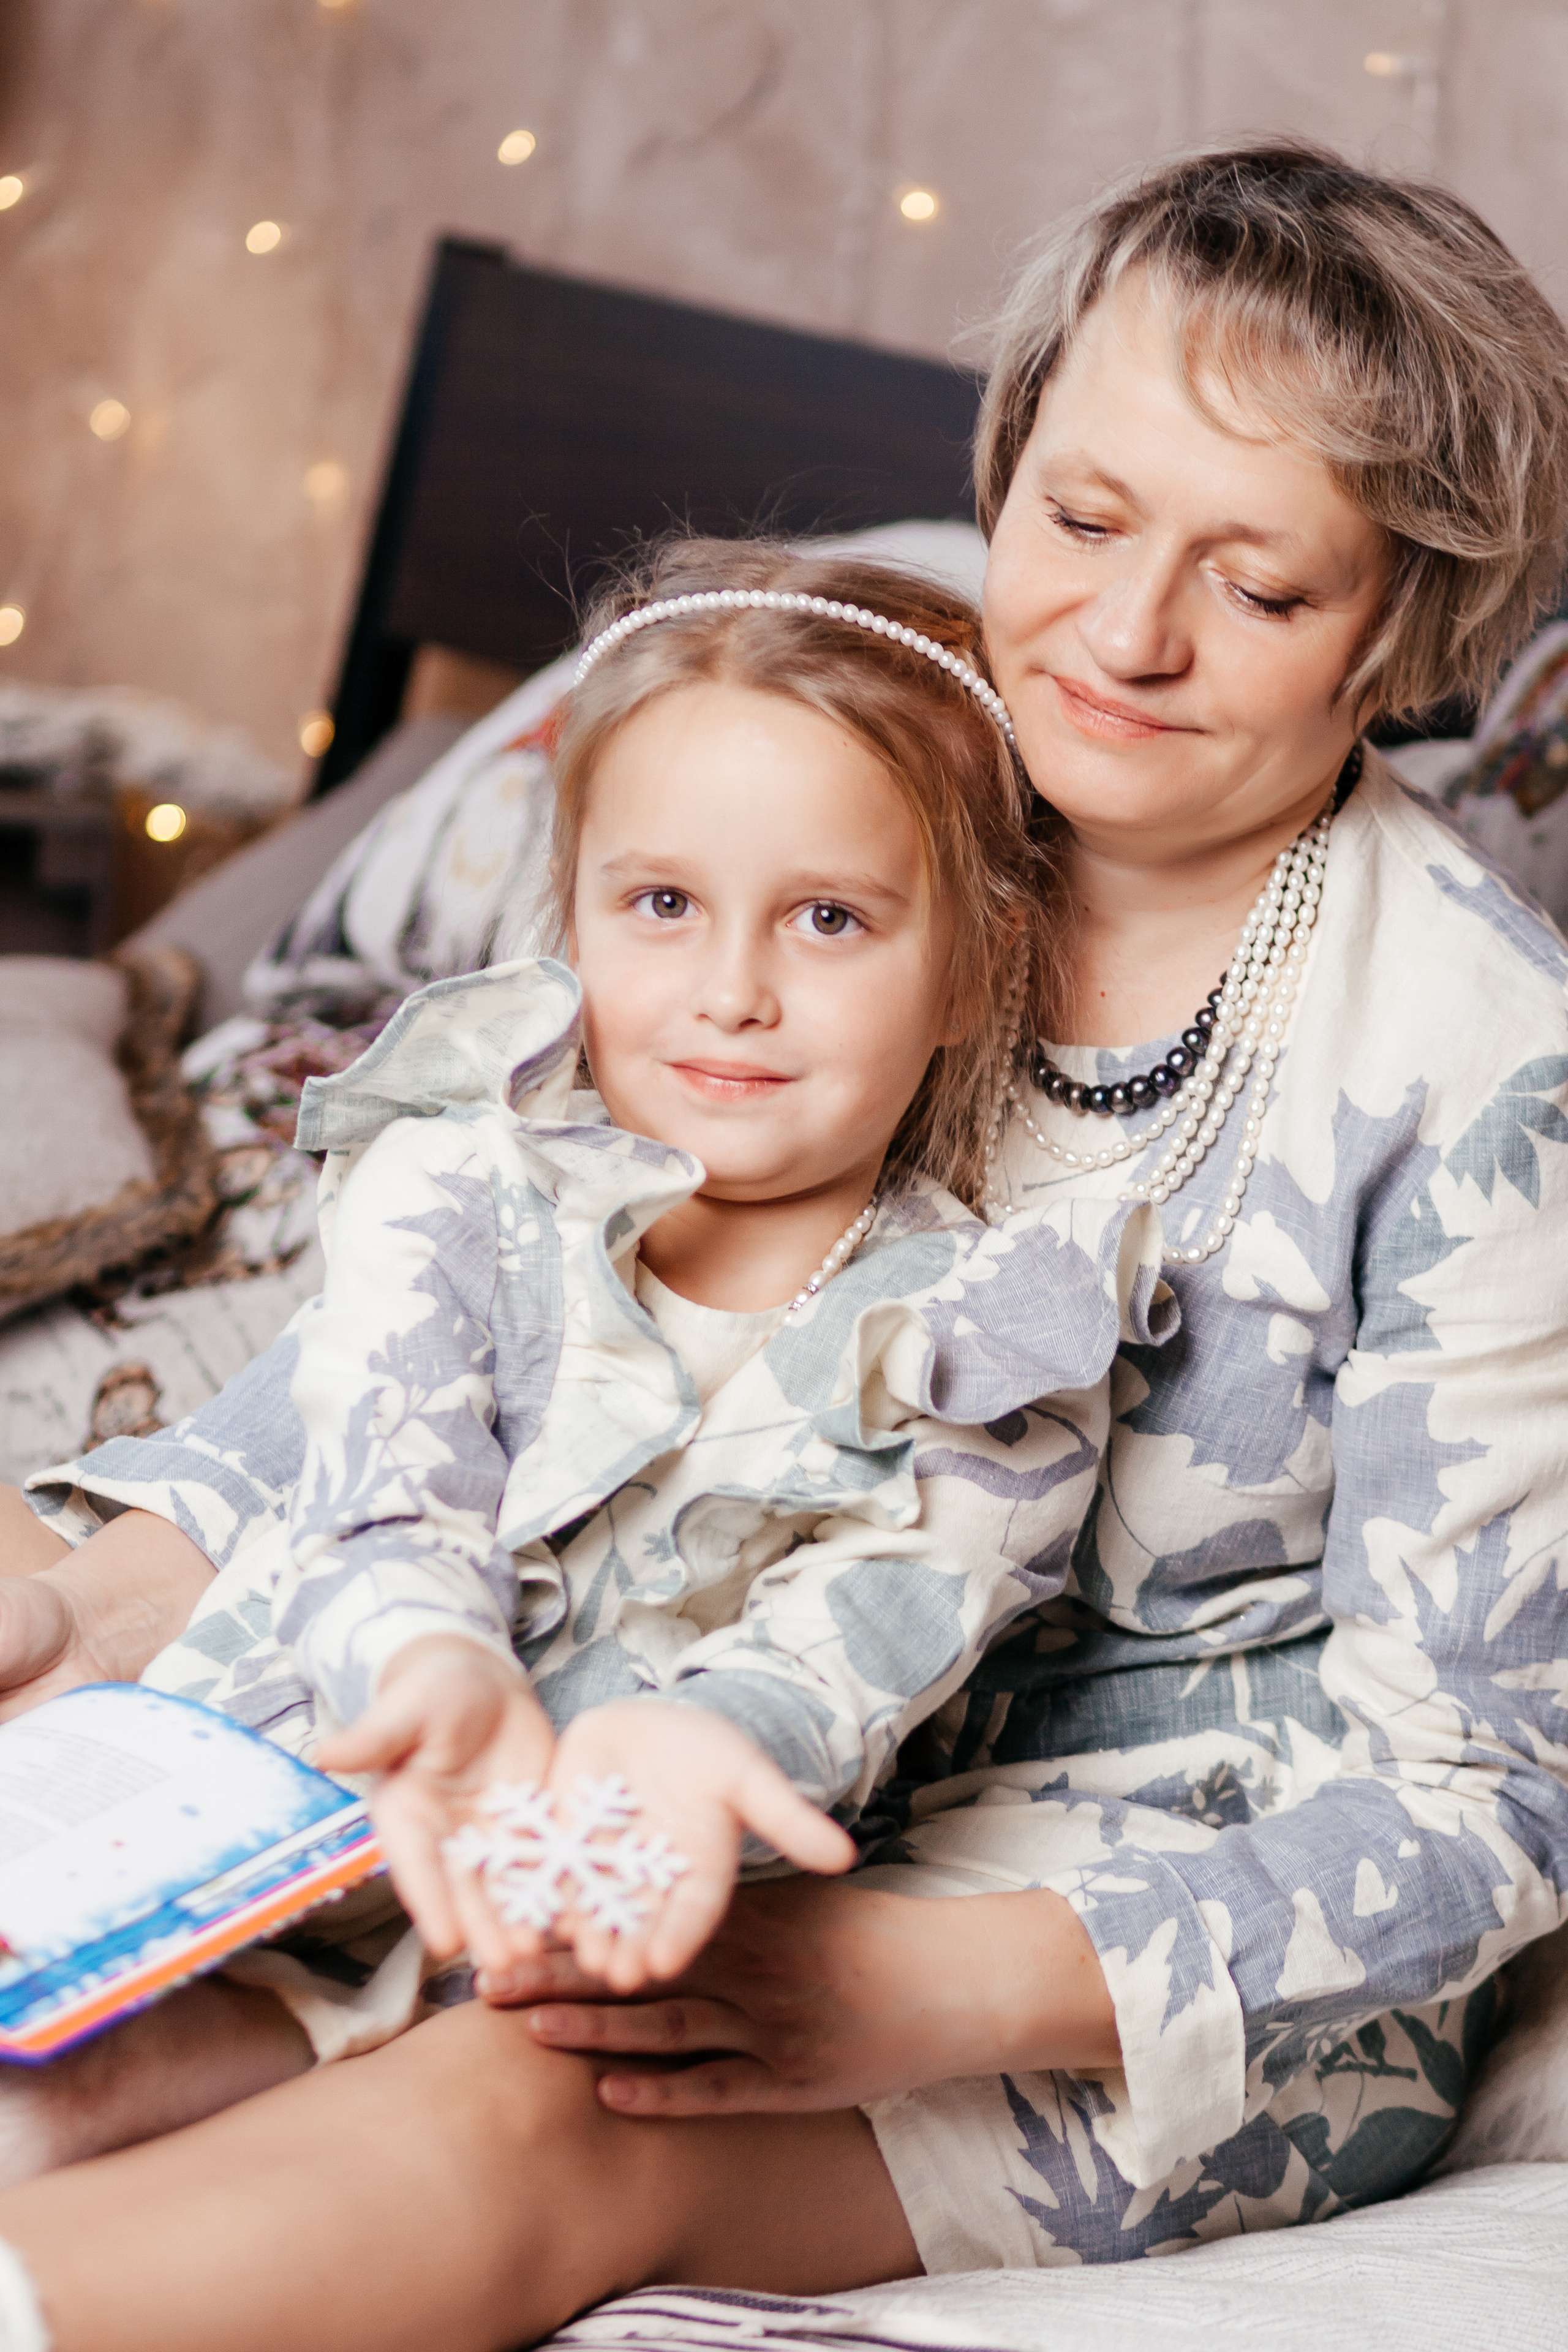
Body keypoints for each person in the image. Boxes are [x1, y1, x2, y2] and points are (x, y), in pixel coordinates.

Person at [0, 136, 1564, 2352]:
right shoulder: (854, 780)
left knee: (547, 2098)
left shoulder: (1484, 1066)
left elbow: (1486, 1797)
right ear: (1005, 473)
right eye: (1085, 521)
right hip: (644, 1687)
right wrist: (89, 1599)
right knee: (105, 1963)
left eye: (1260, 585)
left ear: (1399, 622)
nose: (1123, 637)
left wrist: (905, 1991)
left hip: (1112, 1895)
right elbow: (481, 1307)